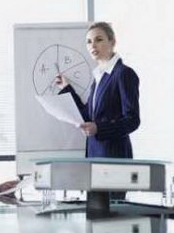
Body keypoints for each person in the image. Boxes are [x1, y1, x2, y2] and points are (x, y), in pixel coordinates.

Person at [55, 21, 140, 159]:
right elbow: (87, 115)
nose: (92, 45)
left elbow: (132, 120)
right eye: (89, 42)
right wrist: (66, 88)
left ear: (112, 42)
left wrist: (99, 128)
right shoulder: (99, 78)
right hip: (94, 154)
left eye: (98, 40)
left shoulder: (123, 73)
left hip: (114, 156)